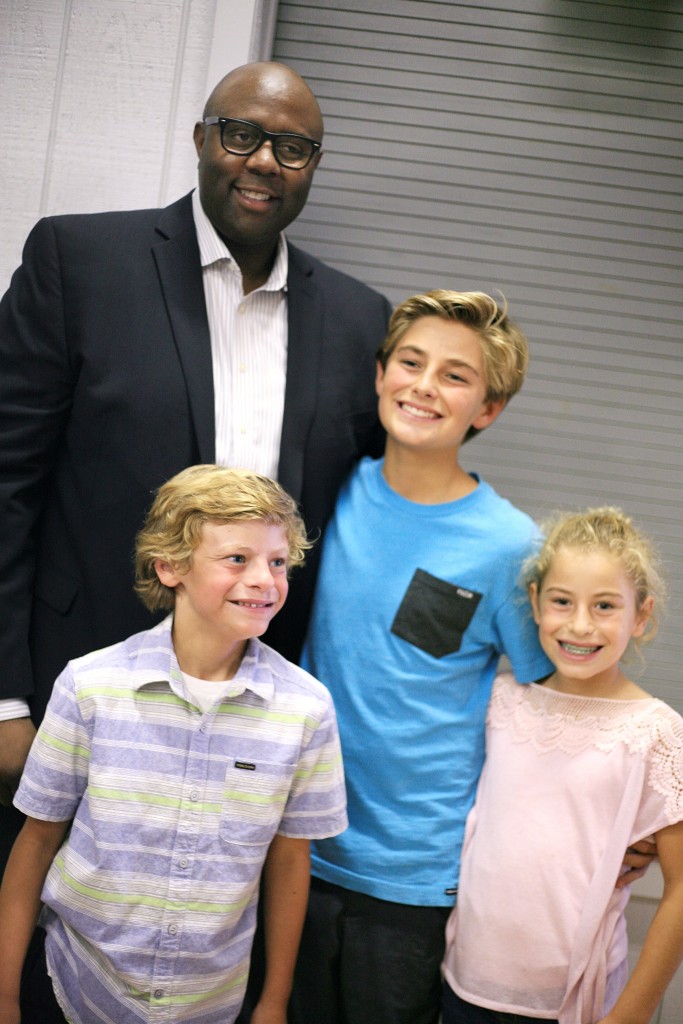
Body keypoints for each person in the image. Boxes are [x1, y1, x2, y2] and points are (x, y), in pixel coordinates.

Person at [0, 60, 391, 859]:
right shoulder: (79, 261)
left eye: (292, 147)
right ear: (201, 140)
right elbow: (7, 481)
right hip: (68, 701)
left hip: (248, 730)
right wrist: (2, 699)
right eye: (240, 134)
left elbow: (379, 520)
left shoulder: (358, 320)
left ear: (313, 166)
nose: (262, 161)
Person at [286, 289, 553, 1024]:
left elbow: (552, 704)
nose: (424, 385)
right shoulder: (327, 490)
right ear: (379, 373)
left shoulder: (509, 547)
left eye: (455, 375)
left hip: (411, 875)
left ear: (487, 409)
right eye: (410, 362)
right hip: (291, 846)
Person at [0, 464, 348, 1024]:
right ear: (171, 567)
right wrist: (4, 996)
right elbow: (36, 843)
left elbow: (289, 860)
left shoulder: (306, 709)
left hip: (210, 1002)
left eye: (278, 562)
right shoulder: (91, 686)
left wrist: (275, 1002)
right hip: (69, 985)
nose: (264, 578)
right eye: (237, 558)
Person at [442, 507, 683, 1024]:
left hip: (573, 1003)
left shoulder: (655, 731)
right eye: (561, 601)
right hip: (464, 985)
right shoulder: (500, 701)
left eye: (604, 606)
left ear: (641, 616)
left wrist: (632, 1014)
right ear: (534, 603)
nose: (579, 625)